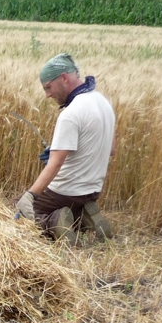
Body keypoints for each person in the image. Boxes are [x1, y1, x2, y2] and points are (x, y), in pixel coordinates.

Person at [15, 53, 116, 244]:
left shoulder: (71, 113)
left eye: (48, 87)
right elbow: (110, 150)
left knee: (13, 213)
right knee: (68, 208)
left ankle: (54, 223)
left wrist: (30, 196)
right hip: (93, 190)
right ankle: (83, 218)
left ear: (63, 78)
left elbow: (55, 163)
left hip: (65, 191)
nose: (47, 95)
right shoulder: (104, 102)